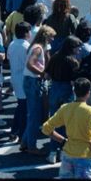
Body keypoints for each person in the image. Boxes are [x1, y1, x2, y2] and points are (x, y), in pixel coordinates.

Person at [41, 77, 91, 178]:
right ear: (88, 93)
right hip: (85, 156)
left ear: (74, 91)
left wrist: (63, 141)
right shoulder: (90, 111)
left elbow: (46, 128)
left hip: (68, 154)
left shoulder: (65, 108)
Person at [21, 25, 55, 154]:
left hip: (30, 81)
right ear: (46, 36)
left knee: (33, 114)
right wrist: (42, 73)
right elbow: (30, 64)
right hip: (33, 81)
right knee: (34, 116)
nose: (52, 39)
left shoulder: (35, 46)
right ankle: (31, 146)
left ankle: (25, 142)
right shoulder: (38, 49)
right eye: (51, 37)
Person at [6, 21, 32, 144]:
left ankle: (15, 131)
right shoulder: (27, 46)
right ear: (26, 33)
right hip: (24, 79)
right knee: (24, 108)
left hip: (15, 78)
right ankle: (19, 133)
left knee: (20, 105)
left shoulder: (12, 44)